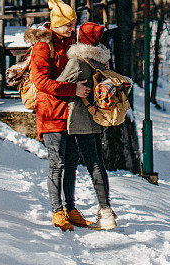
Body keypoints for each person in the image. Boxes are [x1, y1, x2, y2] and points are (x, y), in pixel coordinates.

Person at [27, 0, 91, 232]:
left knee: (72, 162)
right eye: (67, 25)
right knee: (58, 164)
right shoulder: (43, 46)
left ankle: (70, 208)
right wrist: (73, 89)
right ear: (55, 23)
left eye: (73, 24)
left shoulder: (68, 43)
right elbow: (41, 81)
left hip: (71, 113)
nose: (71, 29)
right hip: (50, 112)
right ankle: (57, 211)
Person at [57, 22, 118, 230]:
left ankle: (105, 211)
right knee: (82, 162)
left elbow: (59, 85)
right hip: (96, 118)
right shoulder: (102, 59)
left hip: (78, 119)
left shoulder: (78, 60)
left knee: (91, 164)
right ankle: (71, 207)